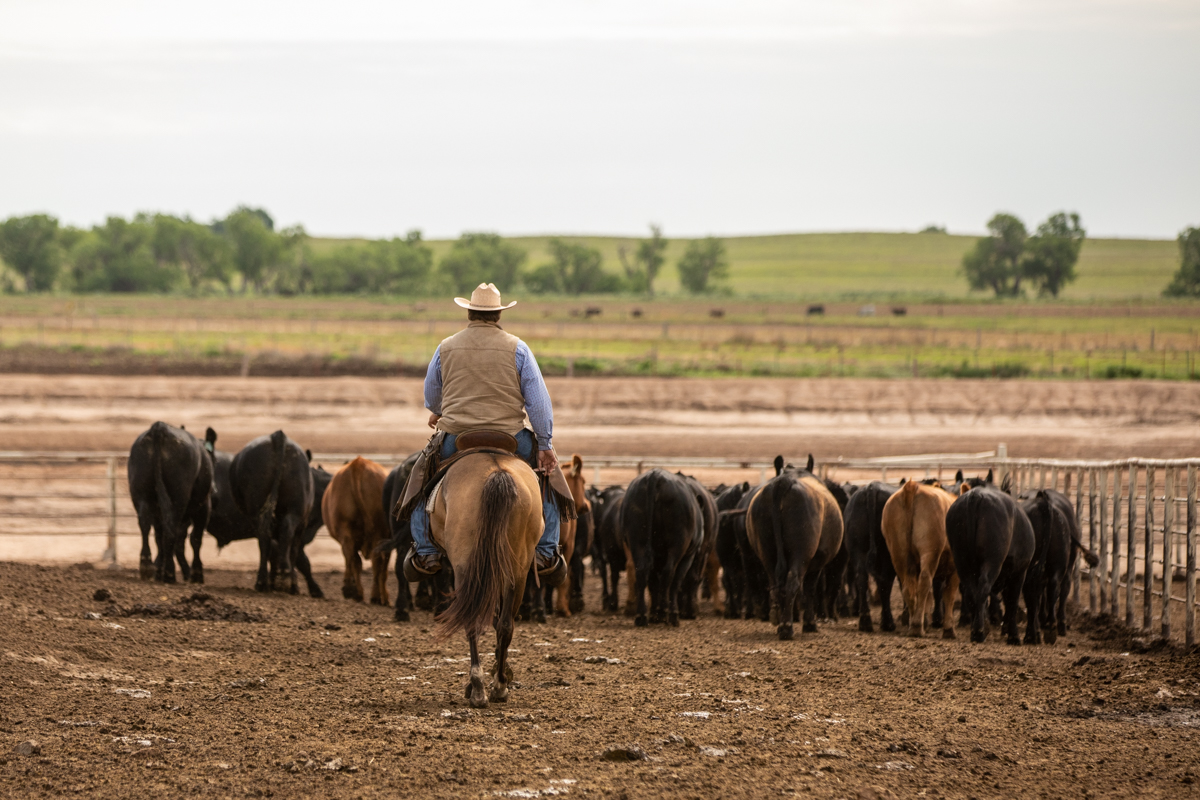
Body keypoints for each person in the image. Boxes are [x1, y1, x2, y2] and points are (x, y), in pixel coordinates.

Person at [404, 282, 567, 582]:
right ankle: (546, 548)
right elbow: (539, 402)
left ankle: (424, 549)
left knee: (420, 477)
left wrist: (439, 409)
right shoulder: (519, 348)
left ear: (469, 312)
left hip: (457, 436)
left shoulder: (446, 346)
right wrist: (544, 444)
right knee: (549, 478)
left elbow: (432, 394)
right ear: (498, 315)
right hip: (511, 437)